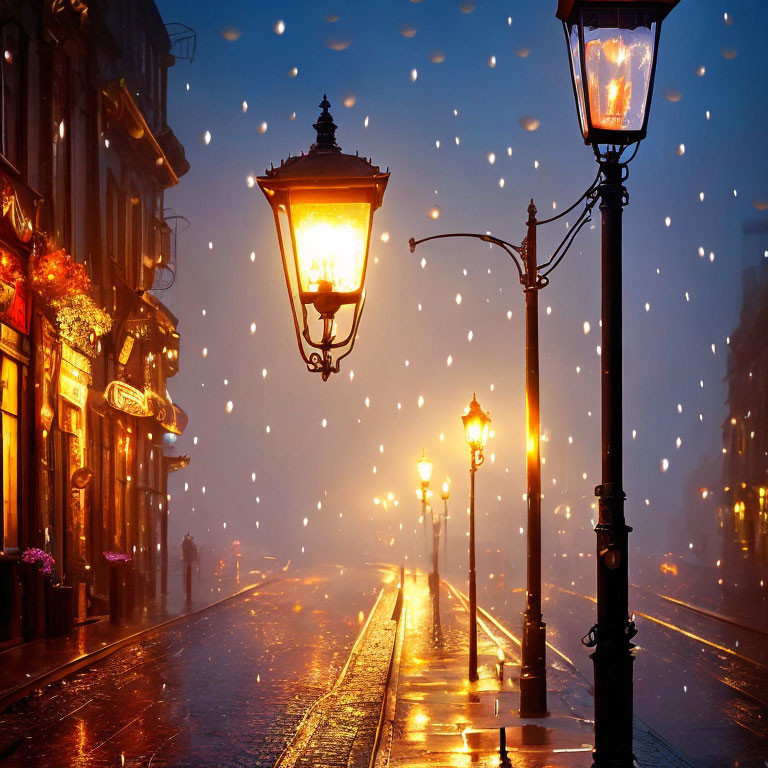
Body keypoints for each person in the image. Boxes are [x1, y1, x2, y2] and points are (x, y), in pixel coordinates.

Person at [181, 533, 197, 604]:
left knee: (187, 573)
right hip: (188, 561)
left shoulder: (187, 544)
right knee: (187, 573)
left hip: (188, 561)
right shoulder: (189, 544)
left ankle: (188, 592)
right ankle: (188, 592)